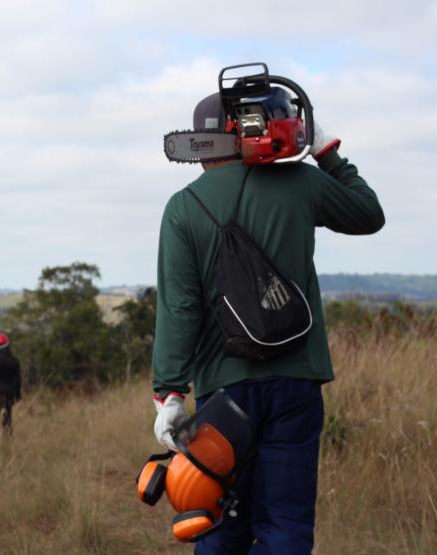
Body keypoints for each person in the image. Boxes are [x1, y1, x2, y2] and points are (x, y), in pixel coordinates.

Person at [152, 91, 385, 553]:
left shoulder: (183, 208)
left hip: (224, 392)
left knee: (218, 521)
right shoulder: (301, 183)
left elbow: (180, 308)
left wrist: (170, 393)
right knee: (286, 524)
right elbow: (369, 214)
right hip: (297, 385)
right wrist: (326, 151)